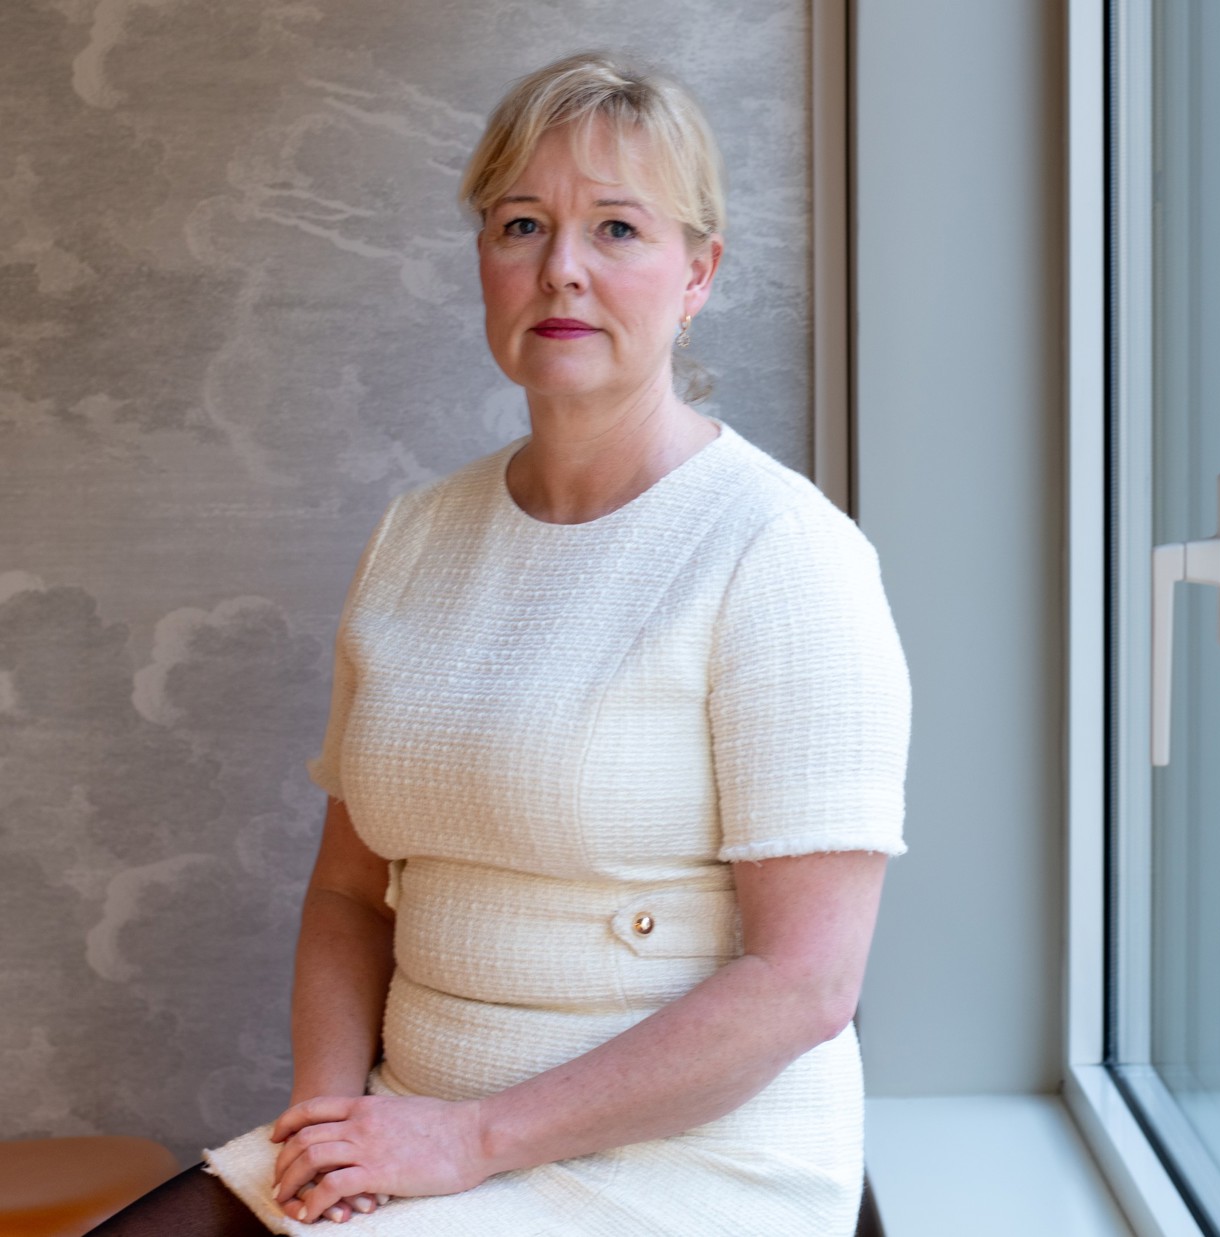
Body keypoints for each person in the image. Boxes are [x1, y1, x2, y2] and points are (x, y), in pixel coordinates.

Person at [91, 49, 910, 1236]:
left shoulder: (784, 554)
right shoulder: (417, 536)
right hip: (413, 1127)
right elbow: (348, 893)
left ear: (698, 273)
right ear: (484, 259)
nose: (562, 269)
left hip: (682, 1166)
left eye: (618, 229)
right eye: (522, 223)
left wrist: (467, 1140)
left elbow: (805, 984)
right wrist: (329, 1132)